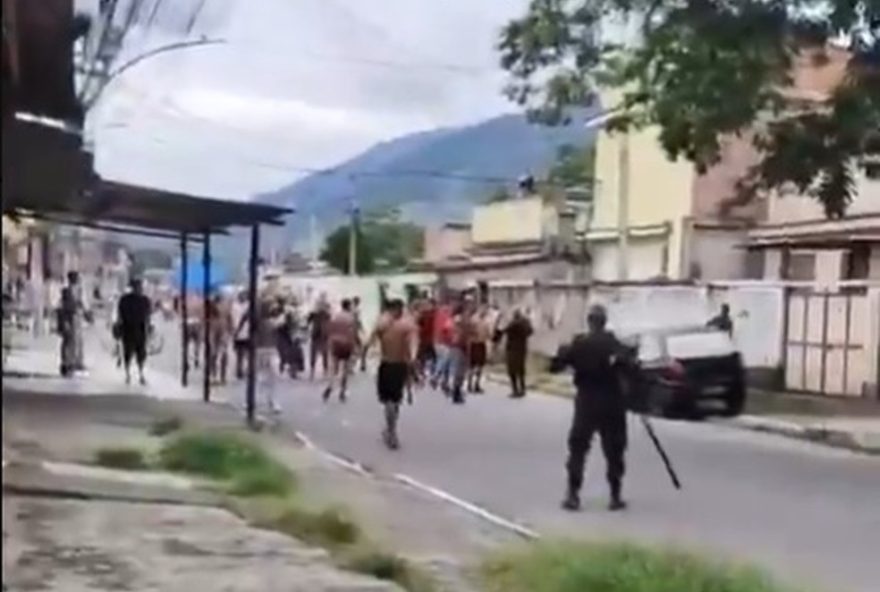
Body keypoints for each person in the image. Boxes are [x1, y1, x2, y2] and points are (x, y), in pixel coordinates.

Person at [549, 304, 632, 512]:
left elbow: (555, 366)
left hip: (587, 402)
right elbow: (631, 367)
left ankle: (573, 494)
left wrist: (563, 351)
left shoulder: (580, 344)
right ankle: (615, 495)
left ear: (589, 322)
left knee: (578, 449)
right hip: (612, 403)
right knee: (614, 450)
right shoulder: (614, 344)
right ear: (604, 321)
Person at [366, 299, 417, 450]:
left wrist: (363, 354)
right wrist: (413, 358)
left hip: (389, 364)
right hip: (397, 365)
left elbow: (370, 340)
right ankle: (391, 429)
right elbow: (413, 342)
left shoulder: (384, 323)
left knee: (390, 401)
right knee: (393, 401)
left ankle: (391, 430)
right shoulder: (405, 324)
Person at [117, 278, 152, 385]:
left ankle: (140, 374)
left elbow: (148, 316)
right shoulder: (126, 300)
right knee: (129, 352)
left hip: (139, 329)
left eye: (140, 287)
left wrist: (149, 326)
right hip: (129, 329)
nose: (140, 289)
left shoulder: (144, 300)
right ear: (134, 288)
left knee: (140, 353)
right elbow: (120, 315)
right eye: (138, 287)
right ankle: (128, 374)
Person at [323, 298, 358, 403]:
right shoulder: (351, 318)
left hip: (335, 343)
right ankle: (342, 391)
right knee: (345, 369)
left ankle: (330, 385)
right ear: (349, 306)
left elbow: (329, 330)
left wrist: (330, 342)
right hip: (346, 344)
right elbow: (353, 333)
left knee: (333, 367)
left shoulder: (335, 317)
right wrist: (355, 346)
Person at [499, 308, 533, 398]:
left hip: (513, 350)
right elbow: (531, 332)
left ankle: (515, 390)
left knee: (512, 371)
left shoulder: (514, 324)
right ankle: (522, 389)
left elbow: (503, 330)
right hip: (522, 350)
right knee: (521, 370)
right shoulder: (526, 324)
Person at [208, 293, 234, 385]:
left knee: (220, 354)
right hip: (217, 332)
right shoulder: (211, 307)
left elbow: (230, 320)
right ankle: (216, 376)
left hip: (221, 332)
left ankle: (219, 376)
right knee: (215, 354)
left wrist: (231, 331)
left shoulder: (225, 308)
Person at [467, 305, 492, 393]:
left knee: (480, 366)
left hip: (481, 344)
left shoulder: (485, 321)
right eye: (483, 310)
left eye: (485, 311)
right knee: (473, 366)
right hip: (475, 344)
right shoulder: (474, 320)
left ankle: (476, 384)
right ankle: (470, 384)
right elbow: (468, 331)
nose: (484, 312)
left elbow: (489, 334)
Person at [307, 296, 331, 380]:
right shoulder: (315, 314)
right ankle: (315, 372)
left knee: (323, 354)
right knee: (319, 354)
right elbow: (307, 320)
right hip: (318, 336)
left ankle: (321, 372)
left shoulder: (326, 314)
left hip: (322, 336)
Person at [231, 291, 250, 379]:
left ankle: (245, 370)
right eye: (241, 296)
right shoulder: (234, 306)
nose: (243, 297)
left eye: (244, 296)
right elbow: (232, 318)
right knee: (239, 354)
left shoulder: (248, 305)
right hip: (237, 333)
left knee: (246, 354)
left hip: (246, 333)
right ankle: (239, 371)